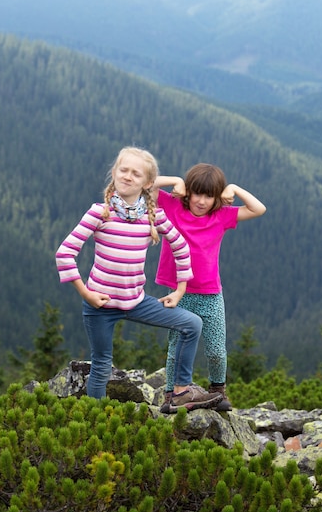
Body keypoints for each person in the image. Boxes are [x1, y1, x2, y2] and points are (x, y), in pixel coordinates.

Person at [56, 147, 223, 411]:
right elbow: (64, 254)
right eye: (123, 170)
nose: (128, 177)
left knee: (192, 324)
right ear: (114, 173)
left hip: (136, 301)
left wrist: (180, 290)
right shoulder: (100, 213)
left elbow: (180, 247)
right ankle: (93, 422)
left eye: (136, 174)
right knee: (101, 365)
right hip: (100, 305)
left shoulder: (152, 216)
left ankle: (180, 391)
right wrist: (86, 294)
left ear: (147, 183)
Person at [154, 163, 266, 413]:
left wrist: (234, 188)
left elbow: (258, 209)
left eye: (209, 195)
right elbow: (144, 186)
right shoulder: (172, 206)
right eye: (197, 193)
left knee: (216, 349)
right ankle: (171, 394)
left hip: (211, 294)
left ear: (217, 197)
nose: (202, 201)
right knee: (177, 348)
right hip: (178, 293)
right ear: (188, 192)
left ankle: (217, 390)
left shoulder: (221, 215)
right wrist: (175, 180)